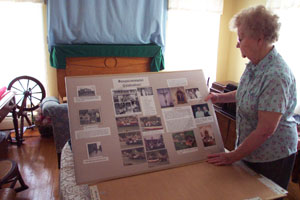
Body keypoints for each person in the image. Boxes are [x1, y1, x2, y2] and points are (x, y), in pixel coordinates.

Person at [205, 5, 298, 191]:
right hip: (251, 151)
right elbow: (246, 94)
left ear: (259, 39)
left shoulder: (275, 75)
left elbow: (265, 130)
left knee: (263, 195)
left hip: (272, 156)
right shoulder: (255, 65)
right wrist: (217, 97)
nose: (237, 44)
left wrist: (231, 156)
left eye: (240, 38)